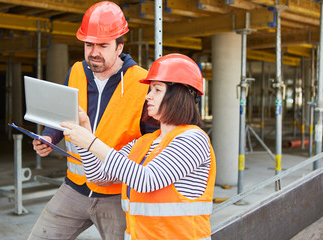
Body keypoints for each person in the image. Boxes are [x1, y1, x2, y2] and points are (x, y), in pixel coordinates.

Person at [29, 2, 156, 239]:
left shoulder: (141, 81)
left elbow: (152, 139)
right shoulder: (76, 71)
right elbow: (62, 116)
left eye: (102, 45)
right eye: (89, 44)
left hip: (117, 194)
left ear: (120, 47)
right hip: (74, 188)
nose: (94, 52)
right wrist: (48, 136)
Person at [62, 53, 217, 240]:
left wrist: (92, 143)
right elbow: (99, 177)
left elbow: (147, 180)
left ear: (180, 96)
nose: (148, 96)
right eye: (150, 90)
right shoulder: (144, 142)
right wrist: (86, 133)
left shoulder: (193, 139)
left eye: (157, 90)